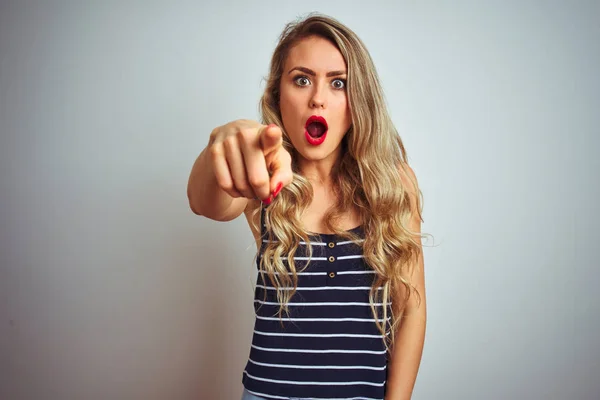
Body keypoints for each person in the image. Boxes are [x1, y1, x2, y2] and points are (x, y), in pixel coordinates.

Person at [187, 13, 427, 400]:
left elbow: (412, 310)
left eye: (338, 83)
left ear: (357, 101)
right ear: (278, 96)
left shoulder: (394, 184)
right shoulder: (265, 177)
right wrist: (221, 142)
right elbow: (204, 203)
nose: (317, 97)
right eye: (301, 79)